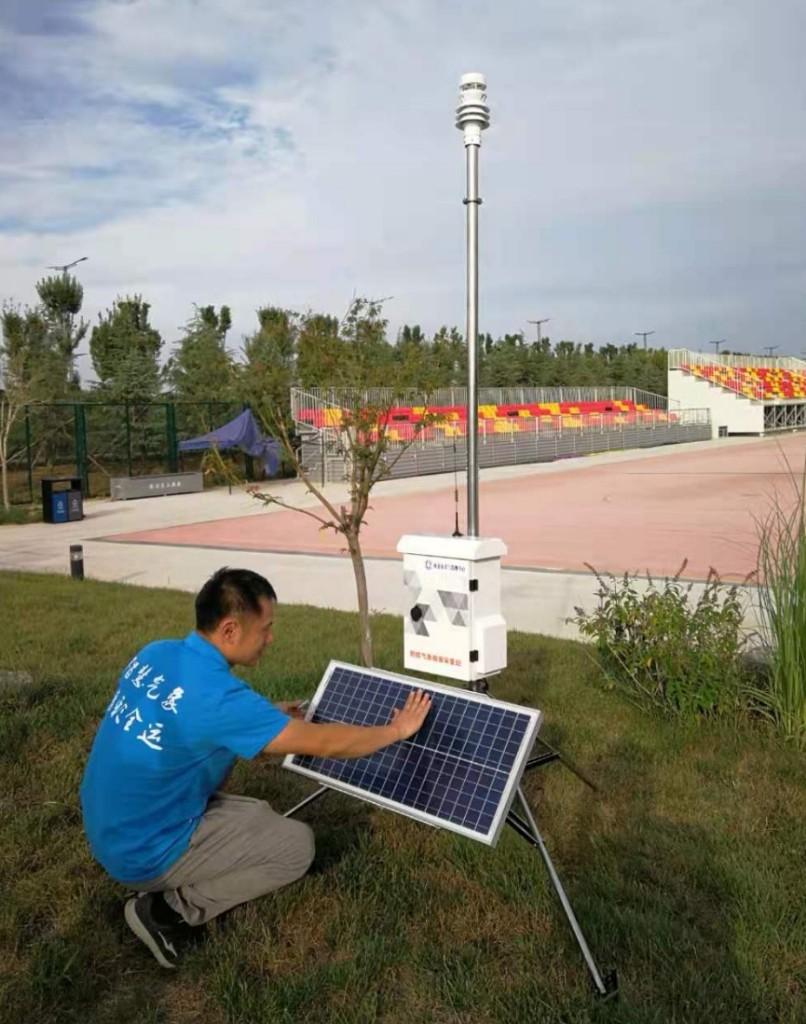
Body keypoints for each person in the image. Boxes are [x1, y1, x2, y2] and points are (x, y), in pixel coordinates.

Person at [79, 567, 431, 969]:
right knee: (295, 846)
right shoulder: (219, 700)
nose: (270, 638)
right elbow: (327, 743)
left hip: (109, 826)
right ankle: (166, 910)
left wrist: (272, 715)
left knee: (257, 815)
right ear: (230, 630)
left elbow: (201, 718)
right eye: (265, 628)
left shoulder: (156, 653)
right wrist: (395, 730)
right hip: (144, 853)